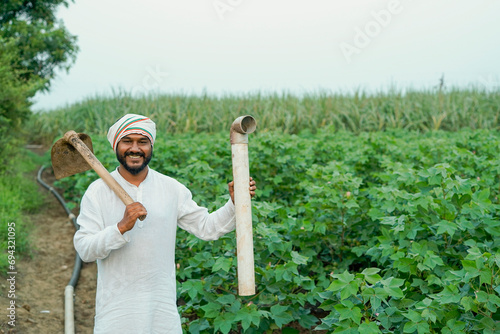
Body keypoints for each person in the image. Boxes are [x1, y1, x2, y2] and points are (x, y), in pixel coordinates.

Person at [73, 113, 256, 333]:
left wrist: (234, 203)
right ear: (116, 146)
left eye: (142, 142)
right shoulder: (97, 192)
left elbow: (208, 228)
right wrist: (120, 227)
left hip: (161, 311)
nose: (135, 148)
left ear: (151, 146)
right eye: (127, 141)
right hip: (116, 312)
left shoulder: (171, 188)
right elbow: (85, 249)